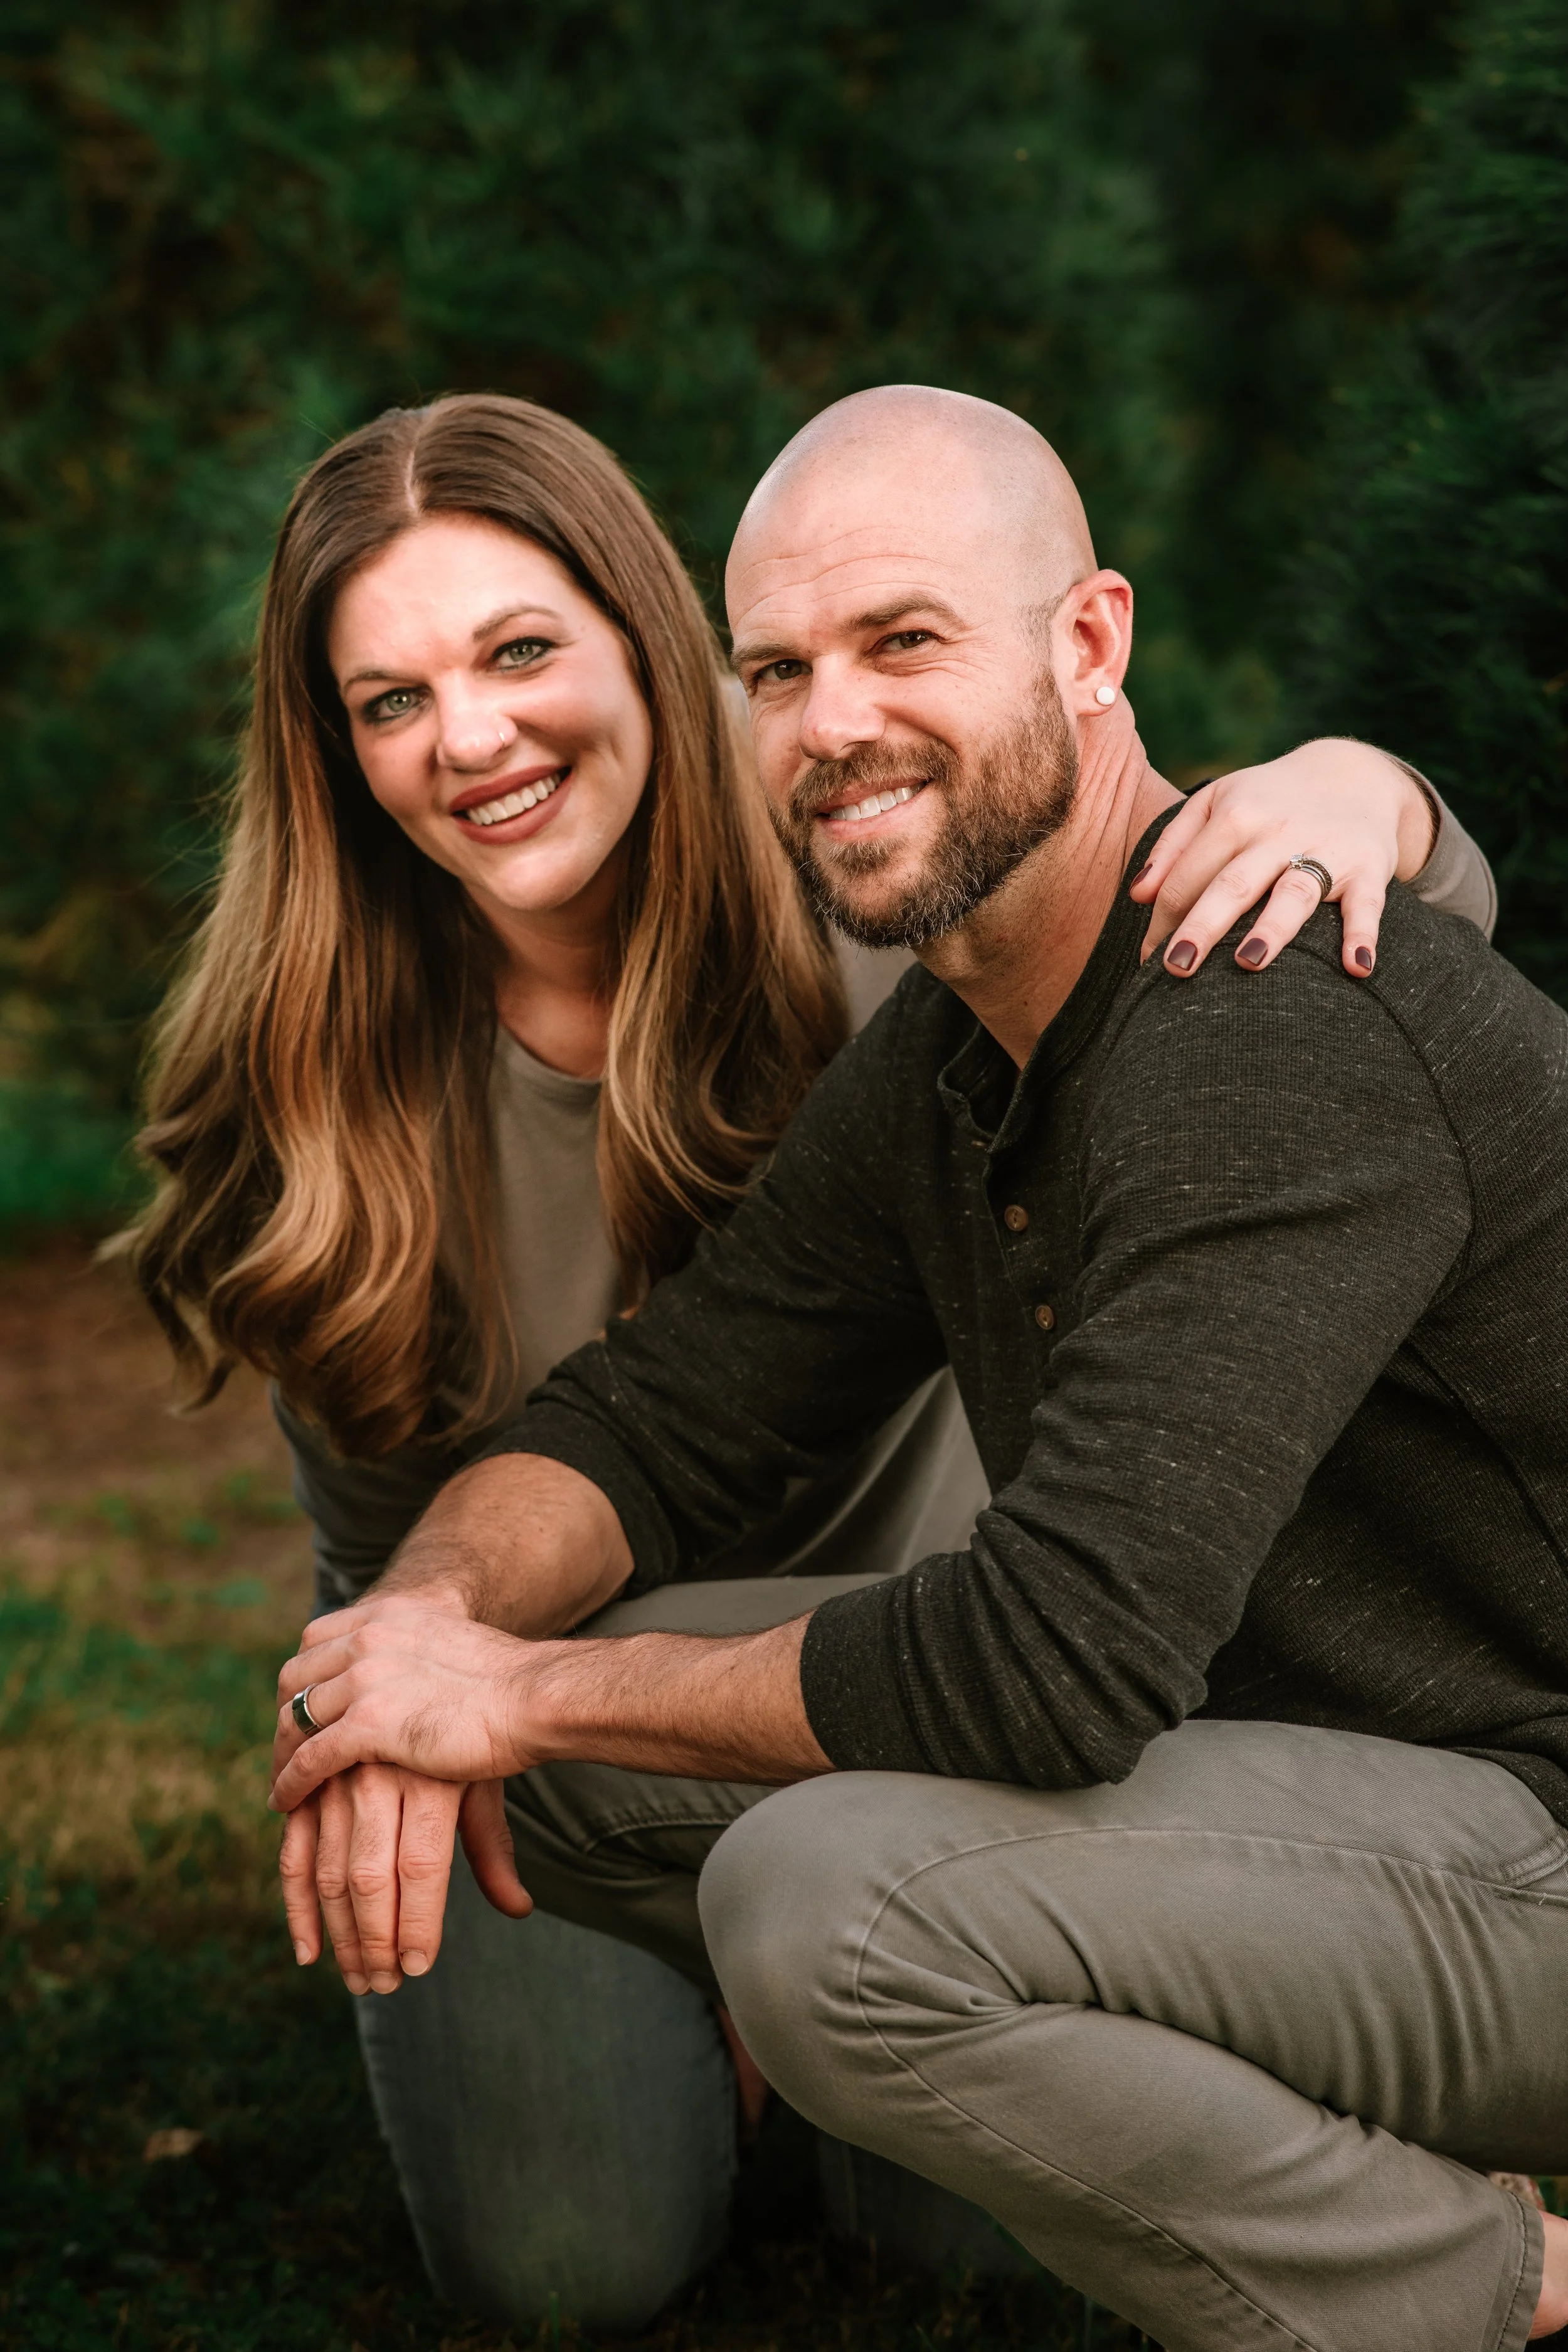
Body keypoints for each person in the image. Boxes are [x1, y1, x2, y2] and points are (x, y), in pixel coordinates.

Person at [129, 391, 1493, 2336]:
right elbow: (602, 1444)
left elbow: (1264, 941)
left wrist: (1374, 789)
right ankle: (770, 1974)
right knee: (568, 2255)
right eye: (391, 699)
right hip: (667, 1675)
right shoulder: (340, 1082)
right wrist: (416, 1662)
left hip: (1025, 1667)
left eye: (519, 652)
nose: (473, 737)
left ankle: (1449, 2253)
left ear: (647, 652)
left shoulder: (913, 890)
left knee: (917, 2117)